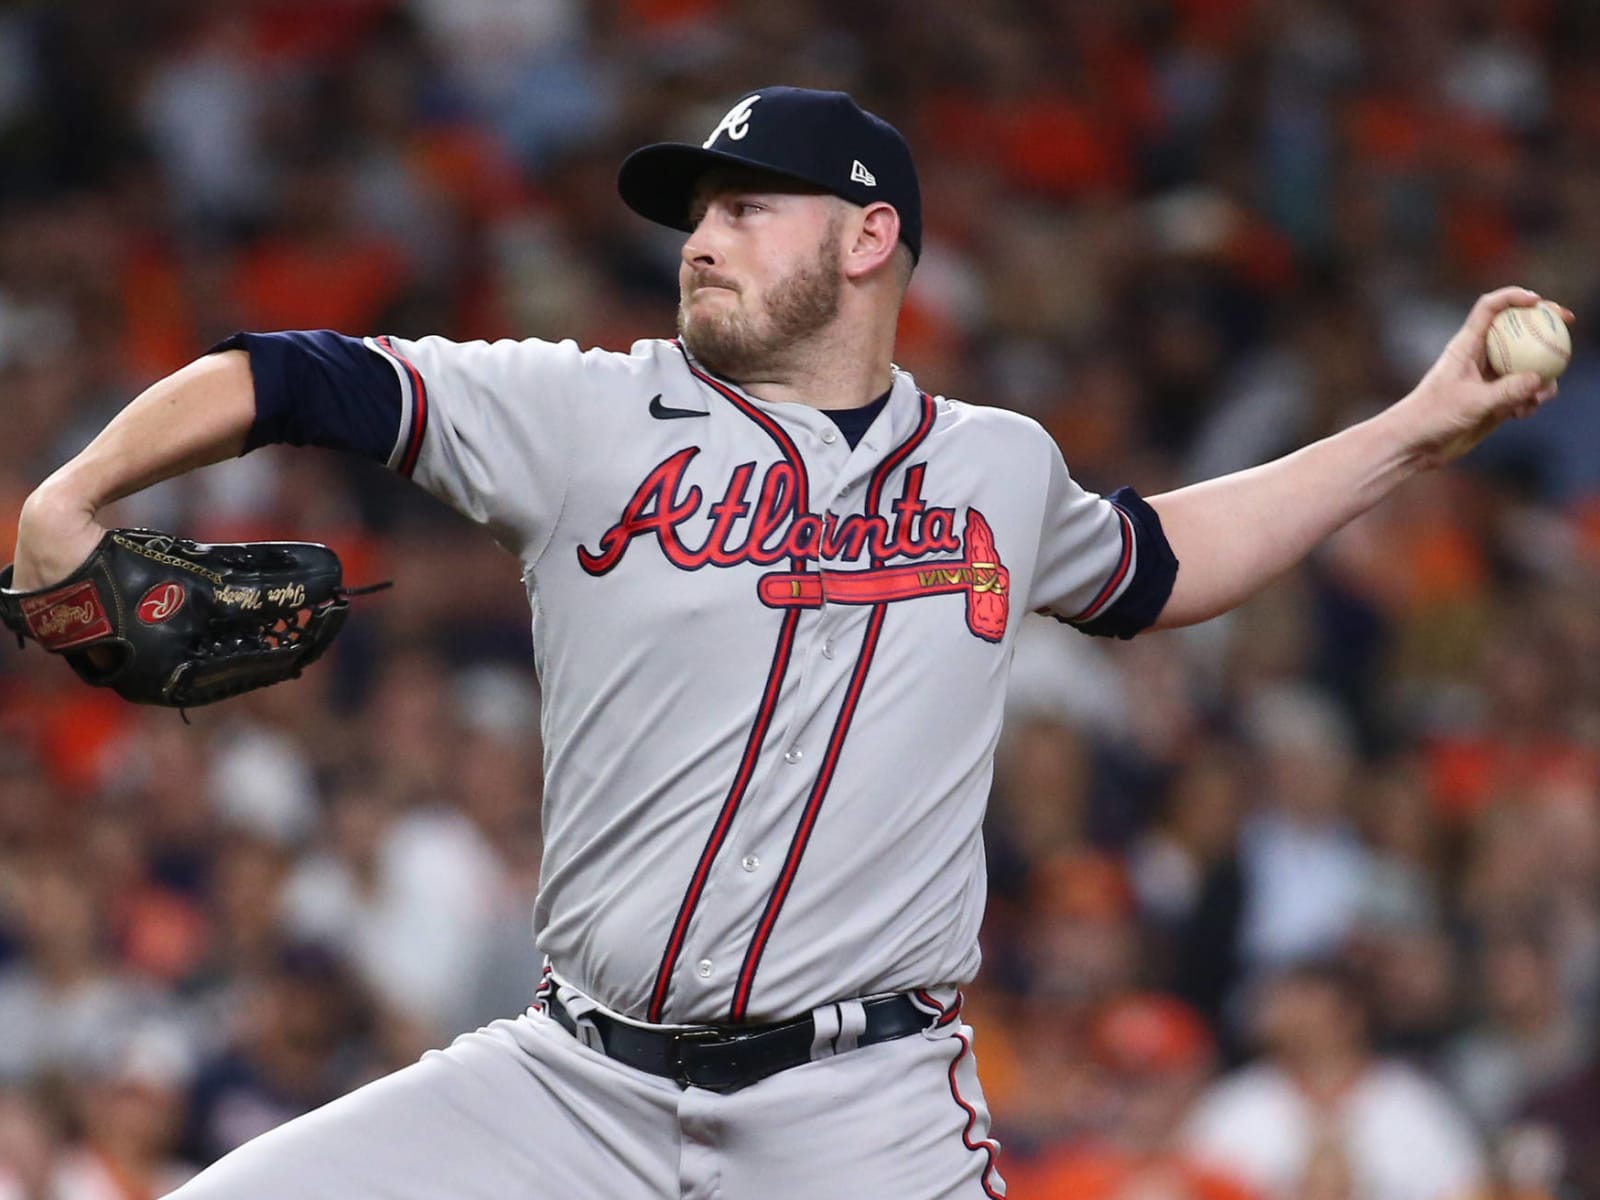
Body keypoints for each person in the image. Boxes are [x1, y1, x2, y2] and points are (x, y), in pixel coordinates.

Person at [5, 86, 1568, 1198]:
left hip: (862, 1114)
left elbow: (1164, 562)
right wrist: (71, 496)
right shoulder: (588, 414)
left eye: (749, 208)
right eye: (697, 214)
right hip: (574, 1087)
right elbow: (293, 374)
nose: (705, 238)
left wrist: (1422, 428)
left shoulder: (997, 466)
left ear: (871, 236)